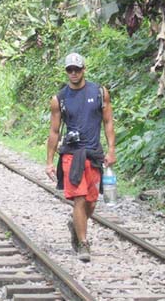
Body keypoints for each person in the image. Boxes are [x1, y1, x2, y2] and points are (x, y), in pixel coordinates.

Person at [45, 53, 115, 262]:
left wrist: (112, 150)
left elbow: (108, 122)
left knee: (91, 203)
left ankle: (76, 225)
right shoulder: (59, 99)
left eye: (77, 69)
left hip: (93, 154)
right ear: (66, 72)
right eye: (70, 70)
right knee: (80, 198)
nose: (73, 73)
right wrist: (49, 161)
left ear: (84, 69)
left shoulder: (100, 93)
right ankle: (83, 243)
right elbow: (54, 131)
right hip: (71, 155)